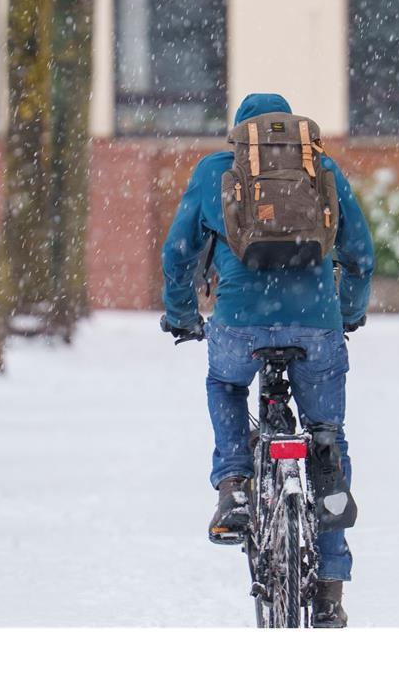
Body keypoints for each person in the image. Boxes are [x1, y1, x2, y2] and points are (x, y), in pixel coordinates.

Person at [160, 93, 375, 627]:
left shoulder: (218, 170)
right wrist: (346, 312)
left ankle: (234, 485)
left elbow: (178, 253)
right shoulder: (318, 166)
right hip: (315, 322)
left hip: (239, 322)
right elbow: (361, 252)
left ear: (241, 136)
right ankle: (328, 591)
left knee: (226, 384)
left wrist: (182, 313)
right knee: (329, 434)